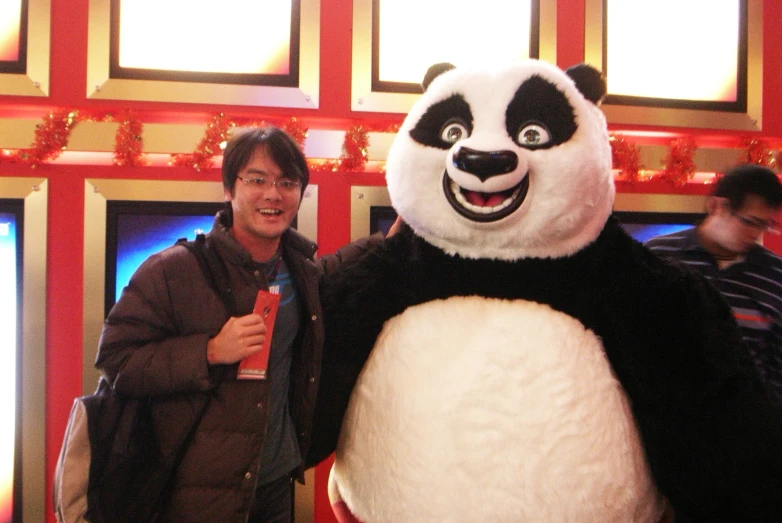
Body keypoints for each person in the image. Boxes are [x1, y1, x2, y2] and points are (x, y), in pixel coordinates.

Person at [95, 126, 380, 522]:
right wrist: (209, 351)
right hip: (194, 494)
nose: (273, 194)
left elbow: (339, 266)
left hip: (275, 482)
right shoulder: (173, 271)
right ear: (229, 189)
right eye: (257, 180)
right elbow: (117, 360)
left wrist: (406, 226)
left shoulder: (299, 272)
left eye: (287, 182)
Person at [645, 163, 782, 401]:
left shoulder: (774, 274)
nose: (756, 234)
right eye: (749, 222)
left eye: (765, 225)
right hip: (664, 413)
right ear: (716, 206)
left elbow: (777, 363)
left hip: (745, 422)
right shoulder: (658, 255)